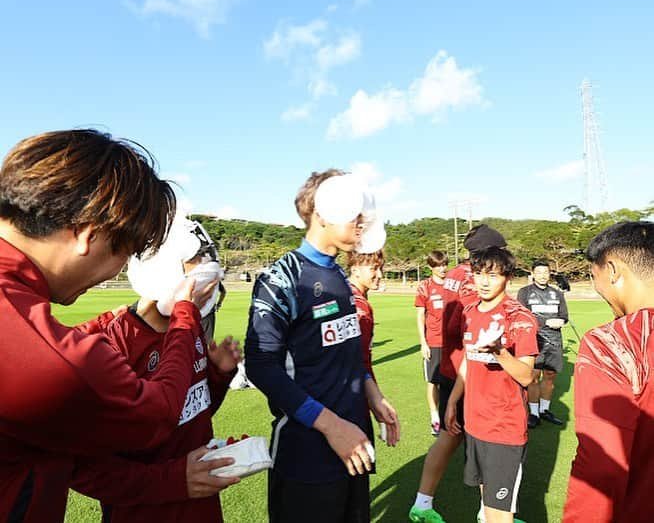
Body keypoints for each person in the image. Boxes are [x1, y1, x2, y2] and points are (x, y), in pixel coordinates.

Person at [0, 129, 208, 522]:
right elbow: (157, 413)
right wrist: (184, 315)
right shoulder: (54, 362)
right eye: (125, 253)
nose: (117, 270)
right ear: (88, 236)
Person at [245, 170, 396, 523]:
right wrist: (332, 426)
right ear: (324, 212)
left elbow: (348, 351)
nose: (362, 224)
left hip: (355, 443)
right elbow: (260, 365)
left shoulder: (342, 277)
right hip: (307, 455)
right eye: (355, 214)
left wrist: (373, 396)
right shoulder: (281, 279)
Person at [71, 217, 242, 522]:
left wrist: (217, 376)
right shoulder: (111, 344)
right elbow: (87, 468)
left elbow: (191, 412)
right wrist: (172, 480)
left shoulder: (191, 332)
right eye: (198, 265)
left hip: (201, 507)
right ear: (165, 273)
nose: (210, 279)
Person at [409, 224, 507, 523]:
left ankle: (423, 504)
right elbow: (474, 324)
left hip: (453, 364)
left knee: (450, 437)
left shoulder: (453, 275)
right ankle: (487, 512)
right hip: (469, 369)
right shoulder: (473, 279)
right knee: (482, 442)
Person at [563, 222, 654, 522]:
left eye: (593, 275)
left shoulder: (614, 343)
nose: (596, 287)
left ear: (613, 270)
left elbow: (603, 464)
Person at [445, 247, 538, 523]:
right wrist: (452, 401)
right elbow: (467, 362)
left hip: (504, 428)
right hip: (475, 422)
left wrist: (499, 351)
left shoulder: (519, 318)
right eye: (479, 274)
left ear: (507, 277)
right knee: (486, 508)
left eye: (492, 275)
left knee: (500, 513)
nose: (483, 282)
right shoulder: (470, 312)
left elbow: (527, 376)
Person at [347, 249, 400, 446]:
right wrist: (375, 401)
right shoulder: (359, 307)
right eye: (374, 269)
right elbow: (359, 363)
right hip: (351, 402)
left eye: (381, 268)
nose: (380, 275)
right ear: (355, 269)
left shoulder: (343, 294)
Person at [517, 260, 569, 428]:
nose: (542, 276)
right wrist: (544, 323)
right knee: (533, 377)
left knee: (549, 376)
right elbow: (521, 315)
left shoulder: (557, 293)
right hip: (534, 340)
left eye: (545, 272)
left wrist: (560, 321)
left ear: (549, 274)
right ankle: (533, 412)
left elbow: (564, 316)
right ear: (532, 274)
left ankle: (544, 410)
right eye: (539, 272)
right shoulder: (524, 292)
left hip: (554, 340)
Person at [415, 250, 448, 436]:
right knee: (432, 381)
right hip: (433, 342)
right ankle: (435, 417)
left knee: (451, 381)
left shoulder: (453, 285)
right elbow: (420, 315)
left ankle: (449, 414)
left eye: (444, 264)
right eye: (438, 265)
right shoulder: (425, 286)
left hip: (453, 344)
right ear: (431, 267)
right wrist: (423, 342)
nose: (442, 269)